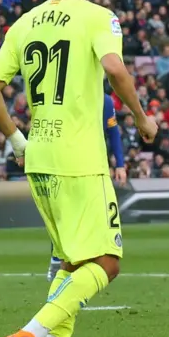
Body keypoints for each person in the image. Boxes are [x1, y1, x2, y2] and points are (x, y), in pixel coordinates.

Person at [0, 0, 157, 337]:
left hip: (40, 156)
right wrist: (141, 117)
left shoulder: (24, 23)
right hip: (80, 159)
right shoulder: (100, 17)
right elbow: (115, 68)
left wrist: (17, 141)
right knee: (107, 263)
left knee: (70, 261)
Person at [48, 90, 125, 280]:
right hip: (66, 164)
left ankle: (89, 258)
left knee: (94, 213)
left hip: (94, 166)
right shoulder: (68, 98)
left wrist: (120, 165)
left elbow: (113, 133)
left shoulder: (105, 101)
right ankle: (57, 259)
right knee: (64, 212)